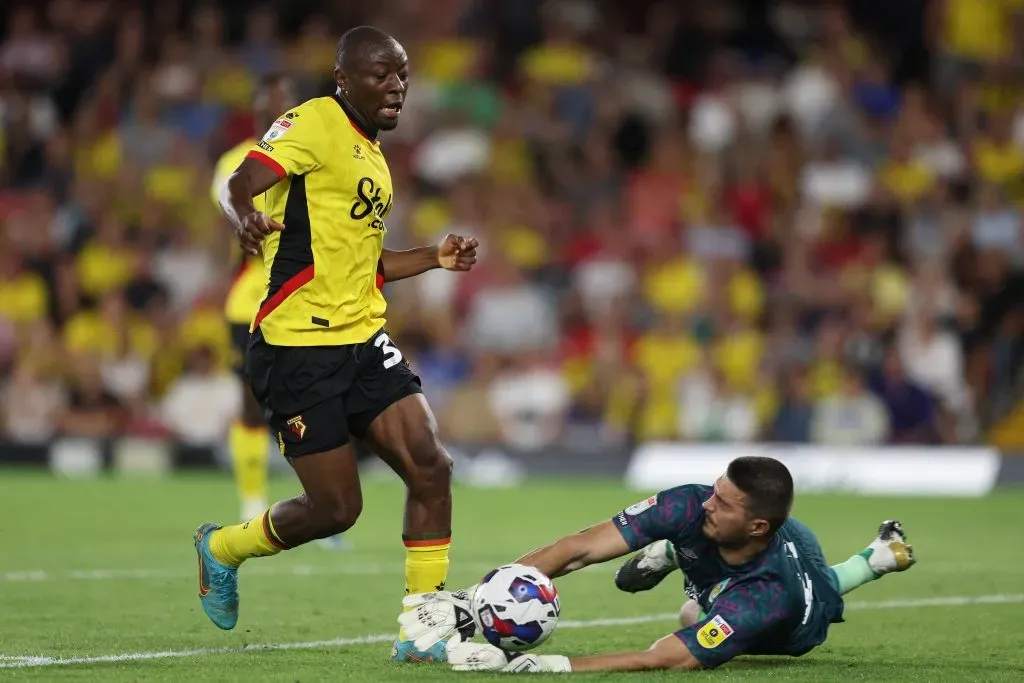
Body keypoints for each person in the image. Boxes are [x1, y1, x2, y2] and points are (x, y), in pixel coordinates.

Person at [194, 26, 479, 663]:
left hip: (362, 338)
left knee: (431, 467)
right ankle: (222, 548)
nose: (396, 86)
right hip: (297, 348)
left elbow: (366, 265)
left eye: (402, 74)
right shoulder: (316, 121)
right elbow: (241, 179)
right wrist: (243, 214)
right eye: (381, 74)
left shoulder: (372, 157)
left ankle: (420, 630)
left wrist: (433, 256)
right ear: (344, 79)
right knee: (335, 510)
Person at [399, 456, 917, 672]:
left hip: (795, 609)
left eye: (724, 504)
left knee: (693, 620)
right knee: (661, 566)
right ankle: (678, 550)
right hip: (767, 541)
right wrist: (472, 599)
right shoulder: (691, 503)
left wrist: (554, 666)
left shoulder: (768, 596)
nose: (708, 503)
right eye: (715, 493)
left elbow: (666, 658)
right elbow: (582, 546)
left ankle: (876, 559)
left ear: (757, 524)